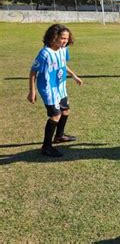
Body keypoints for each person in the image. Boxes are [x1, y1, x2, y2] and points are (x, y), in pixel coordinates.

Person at [27, 24, 83, 157]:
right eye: (62, 38)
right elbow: (33, 72)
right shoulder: (44, 53)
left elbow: (63, 64)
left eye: (67, 38)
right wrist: (32, 91)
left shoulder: (64, 49)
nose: (65, 41)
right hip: (48, 88)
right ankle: (46, 147)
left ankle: (59, 135)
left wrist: (73, 75)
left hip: (60, 86)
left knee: (65, 110)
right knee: (55, 115)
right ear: (53, 37)